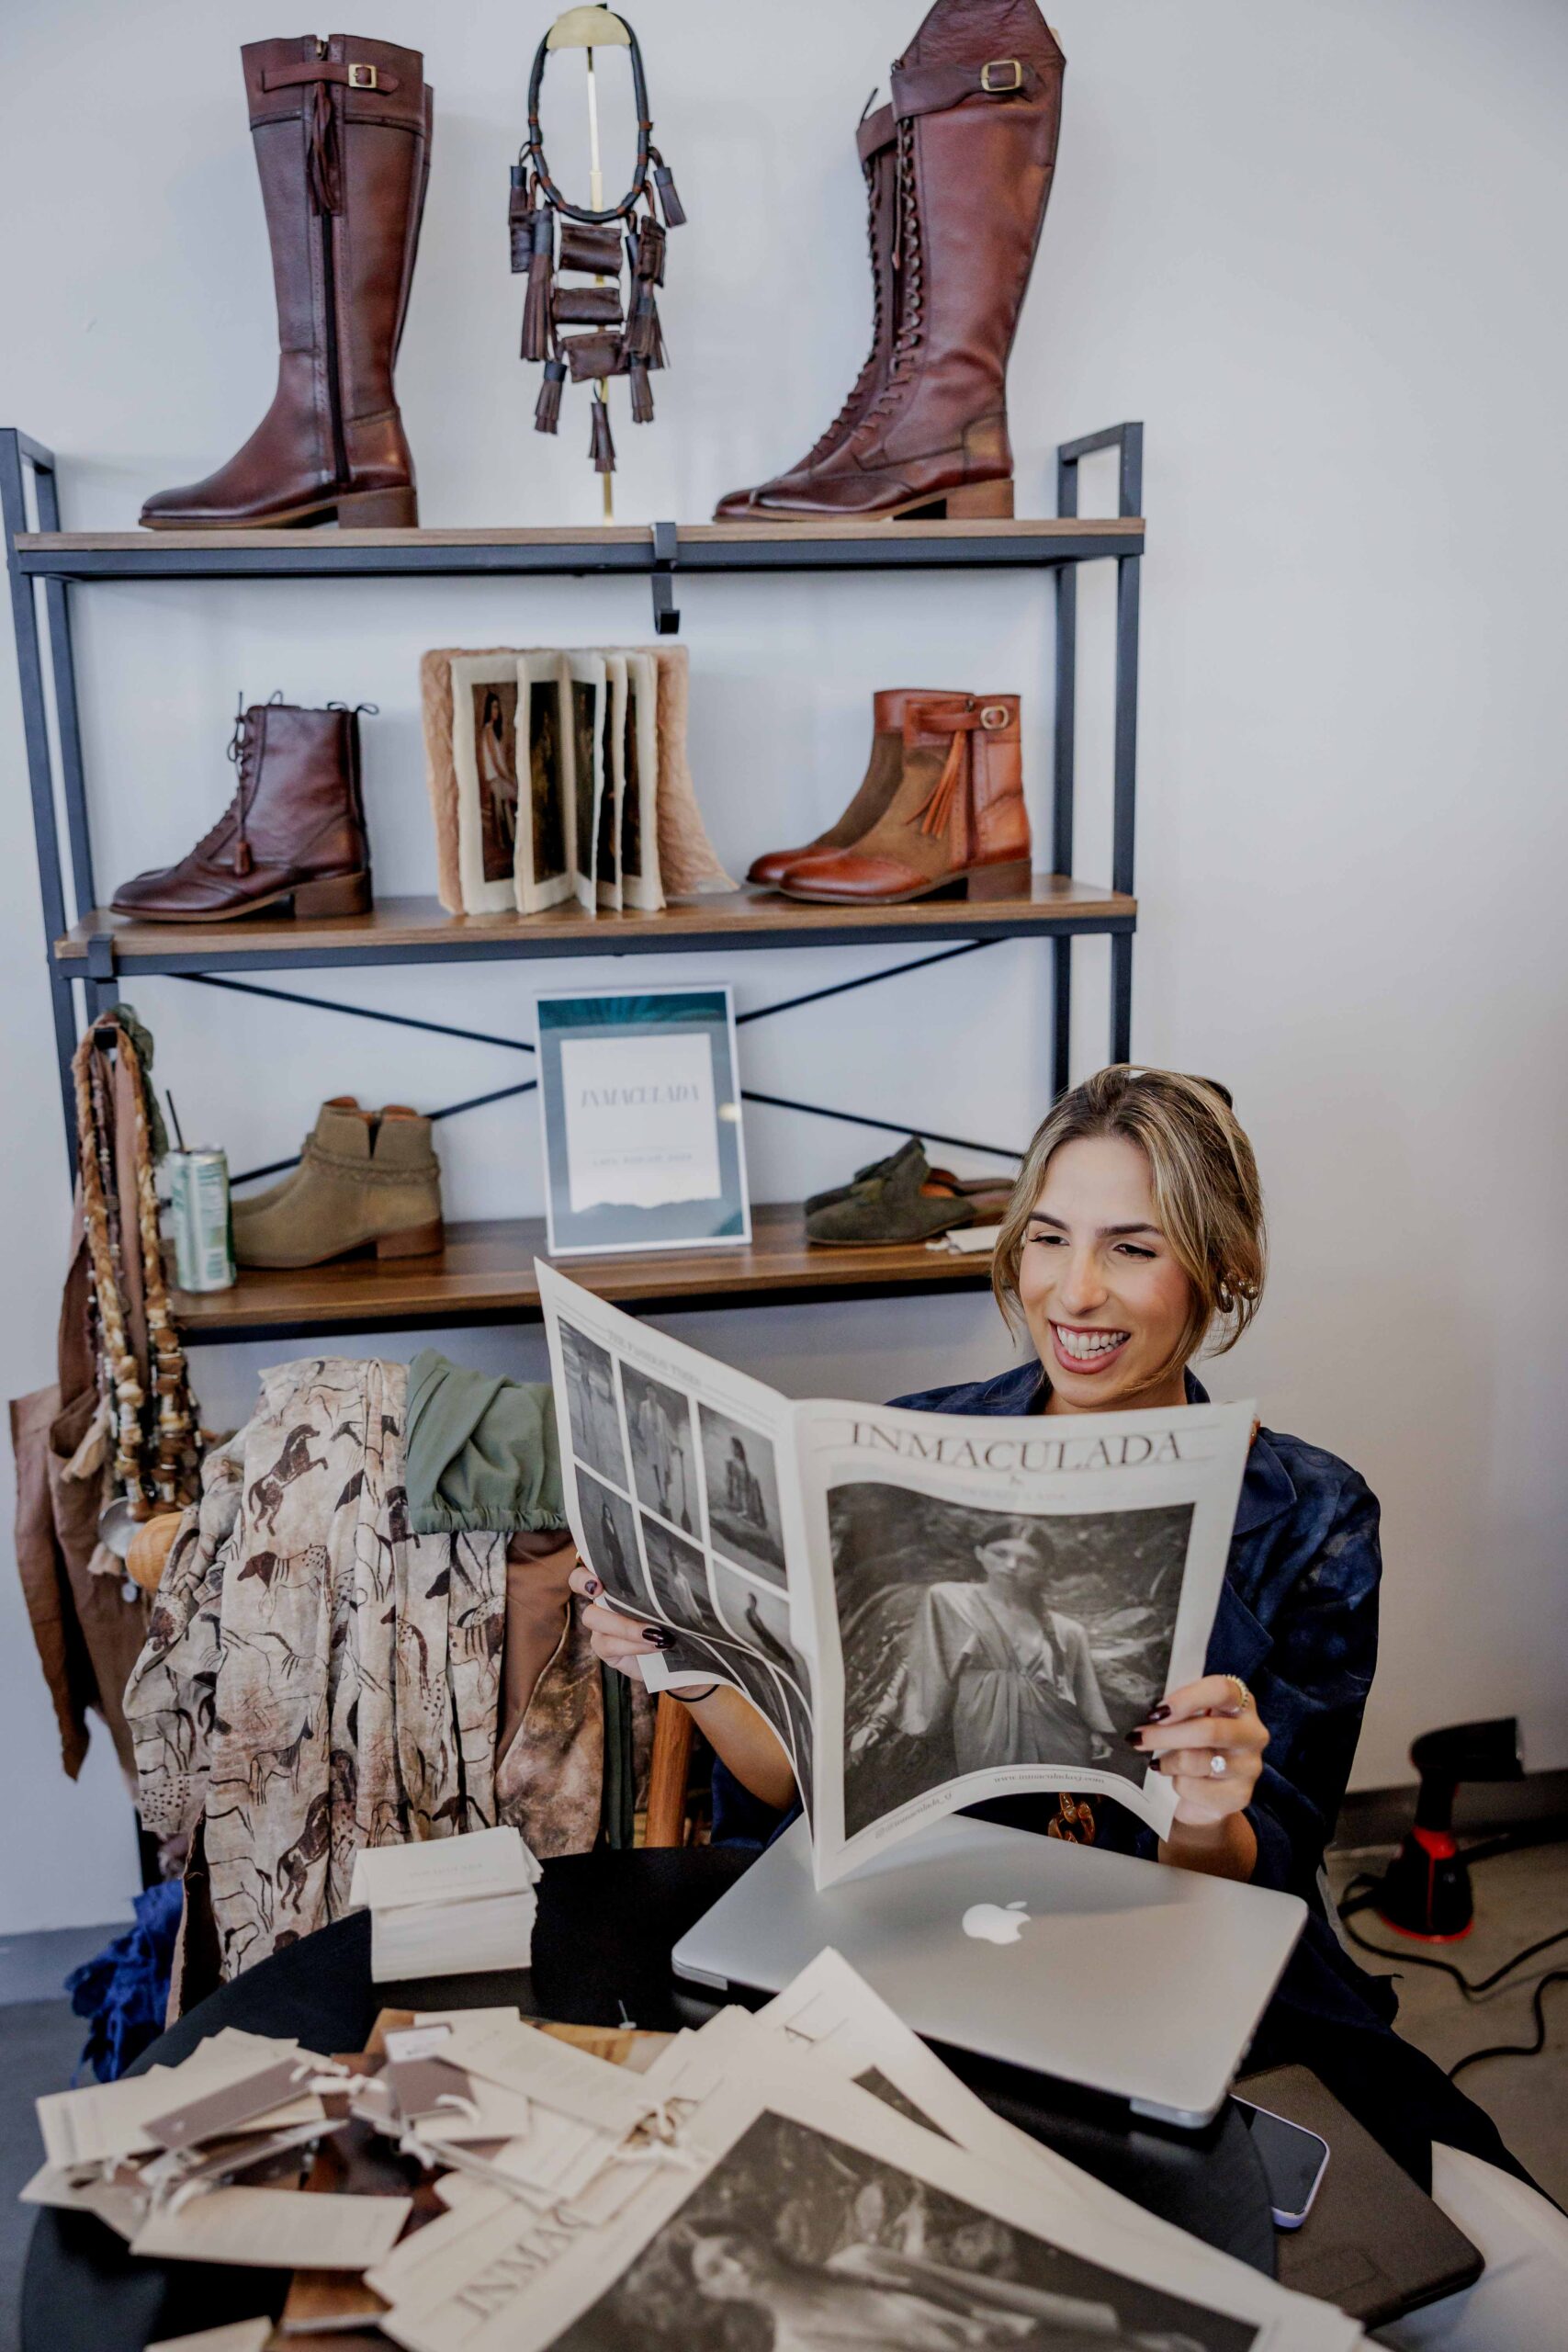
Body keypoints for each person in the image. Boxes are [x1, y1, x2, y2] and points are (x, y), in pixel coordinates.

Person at [571, 1069, 1568, 2346]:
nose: (1073, 1293)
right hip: (902, 1943)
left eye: (1131, 1248)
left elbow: (1257, 1876)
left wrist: (1207, 1807)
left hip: (1188, 1974)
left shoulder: (1309, 1514)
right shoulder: (902, 1447)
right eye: (1047, 1238)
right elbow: (782, 1779)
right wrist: (697, 1665)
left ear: (1220, 1269)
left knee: (1524, 2287)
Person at [872, 1530, 1116, 1775]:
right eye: (1000, 1553)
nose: (1011, 1566)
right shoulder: (948, 1599)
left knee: (1060, 1798)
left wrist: (1096, 1732)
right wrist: (879, 1719)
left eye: (1027, 1561)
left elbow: (1080, 1690)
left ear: (1045, 1570)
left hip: (1061, 1736)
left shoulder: (1067, 1629)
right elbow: (920, 1661)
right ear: (980, 1553)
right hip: (985, 1726)